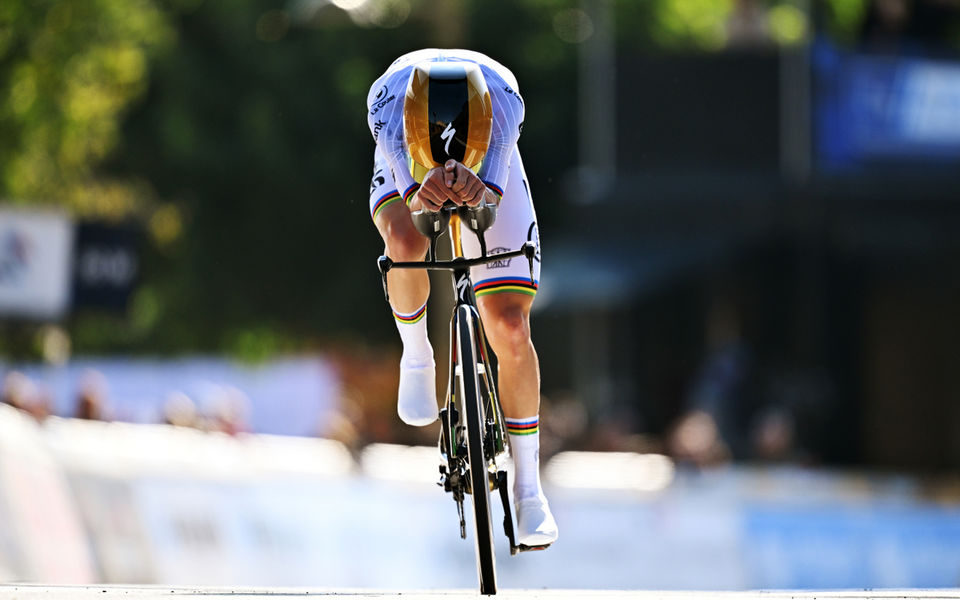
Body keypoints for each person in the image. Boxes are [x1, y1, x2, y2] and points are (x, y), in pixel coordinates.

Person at [366, 49, 557, 548]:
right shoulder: (386, 109)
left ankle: (529, 489)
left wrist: (480, 185)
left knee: (511, 327)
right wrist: (417, 188)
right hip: (407, 155)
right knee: (406, 244)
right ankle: (417, 353)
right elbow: (414, 204)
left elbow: (488, 199)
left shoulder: (504, 109)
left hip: (489, 149)